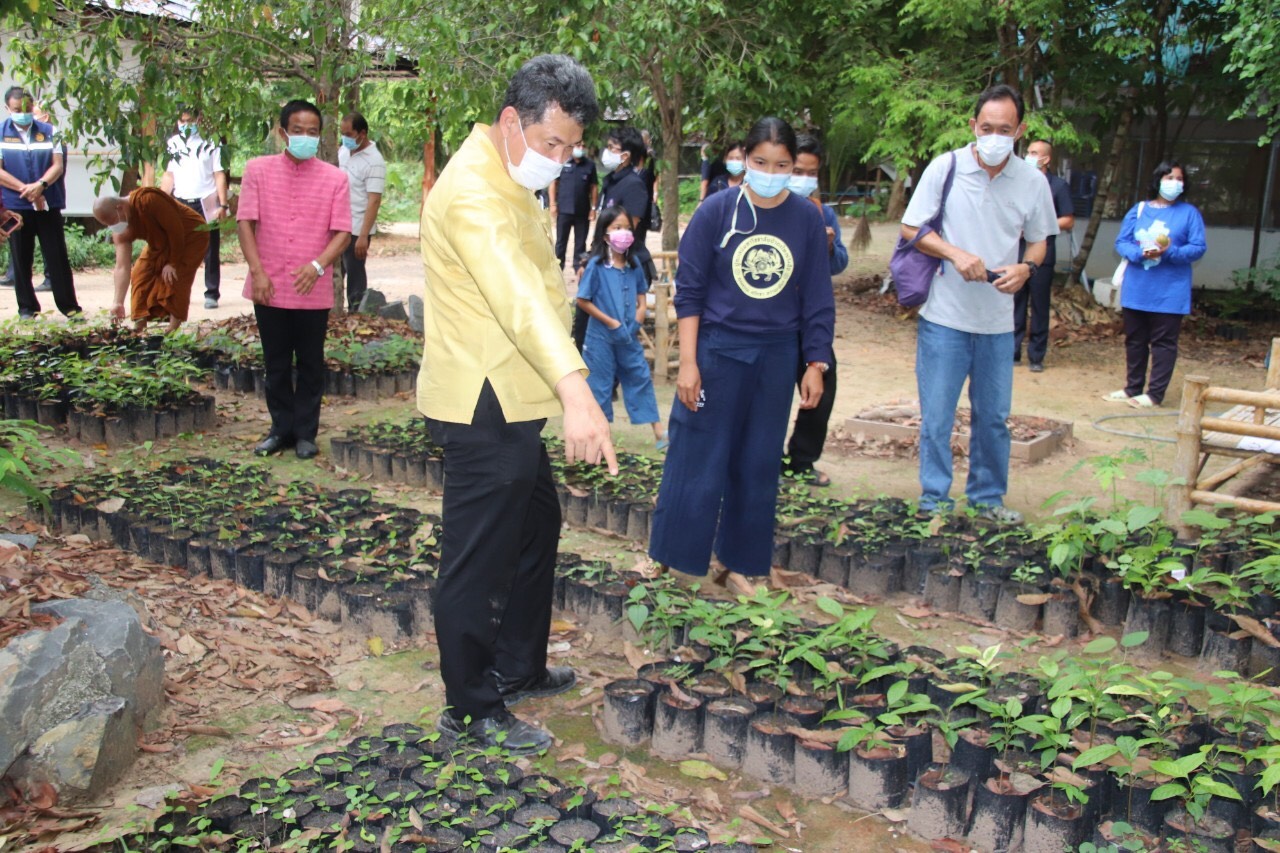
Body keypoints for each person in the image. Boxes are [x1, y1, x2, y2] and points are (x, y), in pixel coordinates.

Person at [417, 54, 616, 754]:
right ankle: (469, 707)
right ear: (511, 121)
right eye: (550, 143)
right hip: (484, 401)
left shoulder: (508, 173)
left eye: (571, 148)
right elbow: (516, 295)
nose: (560, 160)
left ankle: (517, 664)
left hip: (512, 394)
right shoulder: (473, 190)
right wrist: (576, 388)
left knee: (536, 527)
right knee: (478, 560)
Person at [649, 116, 834, 598]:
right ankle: (673, 560)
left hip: (776, 357)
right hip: (716, 351)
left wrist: (814, 364)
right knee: (697, 456)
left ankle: (740, 565)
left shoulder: (807, 220)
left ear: (794, 166)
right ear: (744, 160)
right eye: (760, 162)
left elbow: (816, 296)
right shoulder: (716, 211)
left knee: (757, 462)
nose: (771, 171)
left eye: (782, 164)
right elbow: (689, 294)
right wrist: (688, 363)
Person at [899, 84, 1058, 525]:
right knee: (937, 415)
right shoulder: (945, 167)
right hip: (944, 317)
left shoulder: (1032, 180)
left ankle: (987, 499)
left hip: (997, 322)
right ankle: (934, 499)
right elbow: (911, 226)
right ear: (973, 125)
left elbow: (1040, 240)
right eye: (986, 127)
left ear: (1020, 130)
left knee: (993, 419)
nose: (993, 137)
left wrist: (1026, 268)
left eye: (1004, 129)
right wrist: (955, 253)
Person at [237, 99, 351, 461]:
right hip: (268, 284)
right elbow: (245, 223)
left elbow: (343, 232)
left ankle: (305, 433)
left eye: (312, 132)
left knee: (311, 364)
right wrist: (257, 272)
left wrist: (317, 266)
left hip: (311, 288)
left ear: (320, 136)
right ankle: (279, 429)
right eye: (298, 131)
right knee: (276, 364)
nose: (305, 137)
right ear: (281, 131)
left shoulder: (335, 178)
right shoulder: (257, 170)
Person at [1102, 161, 1206, 409]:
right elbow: (1122, 242)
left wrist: (1170, 251)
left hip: (1170, 290)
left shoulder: (1189, 213)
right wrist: (1139, 254)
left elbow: (1198, 248)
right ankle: (1132, 388)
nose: (1174, 183)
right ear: (1158, 180)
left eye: (1179, 179)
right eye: (1169, 177)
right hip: (1137, 287)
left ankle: (1155, 394)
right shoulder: (1138, 210)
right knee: (1135, 340)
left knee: (1163, 343)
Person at [781, 134, 849, 487]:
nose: (805, 179)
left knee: (823, 385)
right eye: (798, 170)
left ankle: (801, 460)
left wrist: (829, 245)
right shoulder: (769, 207)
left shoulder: (824, 212)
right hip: (772, 319)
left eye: (812, 173)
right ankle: (764, 457)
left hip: (808, 321)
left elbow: (838, 264)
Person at [575, 206, 666, 448]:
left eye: (627, 228)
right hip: (600, 339)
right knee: (600, 386)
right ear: (605, 234)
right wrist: (610, 321)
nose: (623, 233)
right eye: (617, 228)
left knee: (640, 377)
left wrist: (637, 316)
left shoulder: (633, 263)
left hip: (628, 336)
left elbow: (641, 296)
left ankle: (660, 433)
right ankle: (600, 438)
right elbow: (583, 300)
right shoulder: (595, 265)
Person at [0, 86, 81, 319]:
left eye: (26, 108)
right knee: (20, 257)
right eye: (17, 109)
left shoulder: (50, 131)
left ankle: (70, 307)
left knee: (56, 255)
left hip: (47, 202)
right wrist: (25, 189)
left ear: (32, 105)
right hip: (16, 206)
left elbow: (58, 164)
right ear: (8, 109)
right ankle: (27, 308)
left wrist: (40, 186)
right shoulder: (1, 133)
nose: (22, 113)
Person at [574, 126, 652, 349]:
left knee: (614, 334)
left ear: (625, 155)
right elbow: (602, 231)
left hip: (622, 267)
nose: (606, 152)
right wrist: (588, 259)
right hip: (602, 262)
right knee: (584, 330)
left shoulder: (633, 186)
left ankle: (606, 383)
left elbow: (625, 236)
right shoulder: (611, 181)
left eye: (611, 148)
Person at [92, 190, 209, 333]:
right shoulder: (120, 230)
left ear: (120, 208)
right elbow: (122, 267)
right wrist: (118, 302)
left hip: (191, 234)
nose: (113, 227)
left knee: (175, 277)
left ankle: (172, 329)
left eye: (112, 221)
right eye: (108, 224)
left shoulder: (148, 200)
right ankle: (140, 325)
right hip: (160, 243)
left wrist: (173, 263)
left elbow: (175, 229)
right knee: (140, 273)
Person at [1013, 139, 1075, 372]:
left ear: (1046, 159)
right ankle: (1013, 351)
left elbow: (1068, 219)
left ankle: (1036, 356)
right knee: (1016, 302)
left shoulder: (1057, 186)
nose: (1028, 156)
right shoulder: (1017, 183)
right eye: (1027, 152)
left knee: (1039, 305)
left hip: (1044, 253)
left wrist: (1040, 226)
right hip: (1016, 251)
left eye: (1034, 153)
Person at [160, 108, 229, 310]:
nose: (185, 124)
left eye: (189, 120)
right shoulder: (173, 144)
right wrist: (162, 201)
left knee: (210, 250)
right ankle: (174, 291)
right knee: (175, 247)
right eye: (181, 121)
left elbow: (219, 174)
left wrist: (222, 204)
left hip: (205, 201)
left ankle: (212, 293)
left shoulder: (211, 143)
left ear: (199, 120)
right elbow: (169, 175)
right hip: (180, 201)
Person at [338, 112, 386, 313]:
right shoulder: (343, 151)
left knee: (355, 273)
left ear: (362, 134)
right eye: (343, 134)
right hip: (339, 223)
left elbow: (374, 200)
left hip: (358, 227)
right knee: (336, 271)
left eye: (349, 134)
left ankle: (357, 314)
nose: (345, 138)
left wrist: (363, 236)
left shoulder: (374, 161)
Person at [549, 142, 597, 271]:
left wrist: (593, 208)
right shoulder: (563, 162)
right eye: (578, 145)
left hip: (582, 211)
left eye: (583, 146)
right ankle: (558, 269)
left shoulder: (590, 165)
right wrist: (553, 204)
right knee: (560, 243)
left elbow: (594, 187)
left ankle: (579, 269)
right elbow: (553, 183)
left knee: (580, 244)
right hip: (564, 210)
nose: (581, 148)